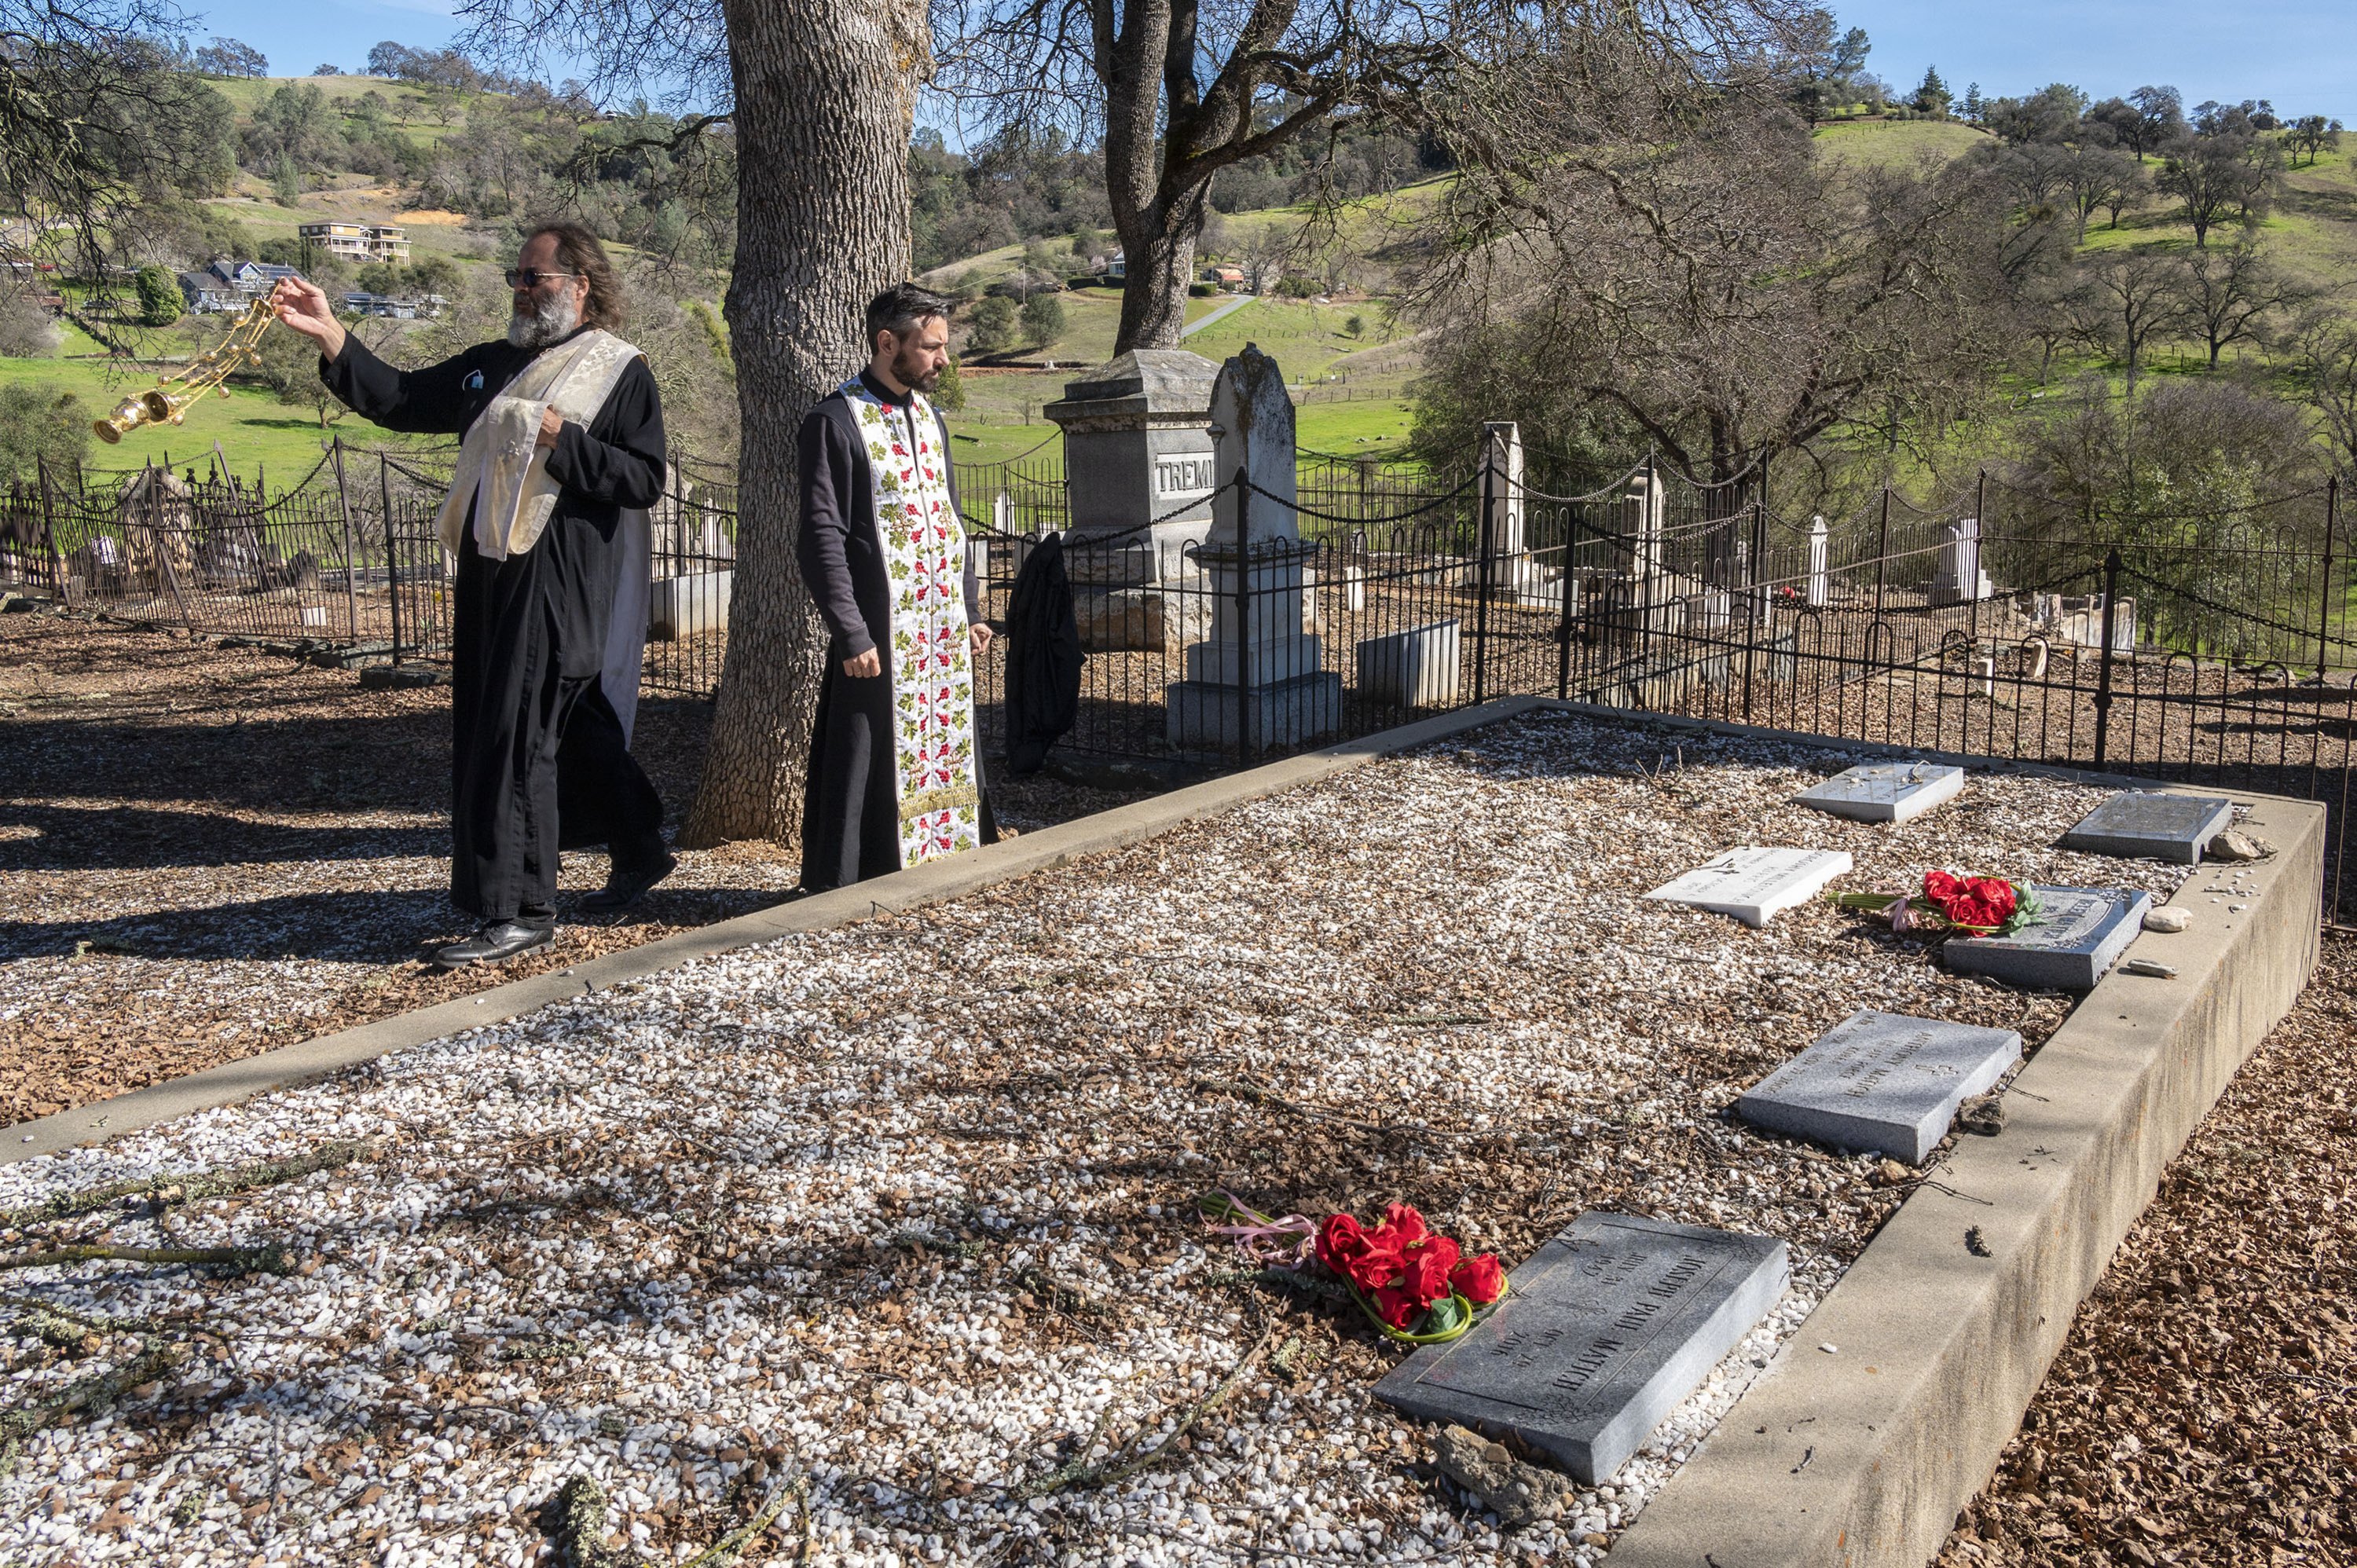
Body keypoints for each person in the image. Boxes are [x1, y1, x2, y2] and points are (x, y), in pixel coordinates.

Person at [272, 223, 674, 968]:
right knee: (569, 723)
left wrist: (564, 440)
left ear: (581, 285)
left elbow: (644, 479)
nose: (520, 290)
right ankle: (640, 847)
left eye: (536, 278)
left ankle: (520, 910)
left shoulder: (620, 373)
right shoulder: (492, 365)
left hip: (561, 582)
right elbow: (398, 397)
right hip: (492, 574)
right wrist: (329, 331)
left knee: (515, 739)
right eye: (516, 277)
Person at [797, 283, 997, 891]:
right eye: (931, 347)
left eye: (944, 347)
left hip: (938, 633)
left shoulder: (930, 417)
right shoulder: (833, 422)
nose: (943, 360)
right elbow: (820, 535)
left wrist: (969, 610)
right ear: (888, 343)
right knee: (866, 757)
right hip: (878, 637)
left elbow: (949, 519)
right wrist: (851, 632)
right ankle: (857, 884)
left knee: (947, 743)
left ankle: (951, 860)